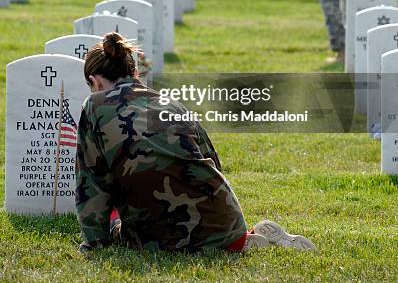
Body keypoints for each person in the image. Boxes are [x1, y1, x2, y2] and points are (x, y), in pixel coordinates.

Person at [75, 32, 317, 253]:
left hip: (163, 234)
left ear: (95, 81)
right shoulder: (170, 102)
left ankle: (243, 241)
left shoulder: (95, 106)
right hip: (224, 221)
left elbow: (92, 181)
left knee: (119, 227)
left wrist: (94, 242)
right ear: (135, 74)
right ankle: (244, 238)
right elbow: (212, 160)